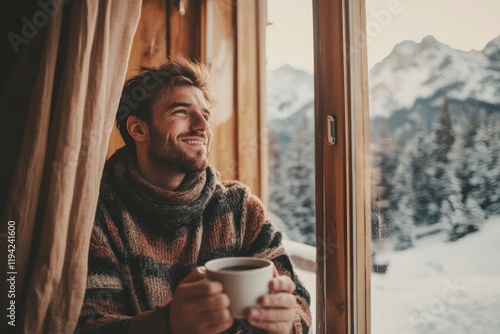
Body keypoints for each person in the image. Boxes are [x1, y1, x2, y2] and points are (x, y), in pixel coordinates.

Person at [77, 58, 311, 334]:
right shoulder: (96, 214)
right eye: (181, 112)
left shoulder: (240, 209)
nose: (202, 125)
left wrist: (288, 320)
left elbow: (299, 304)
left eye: (205, 115)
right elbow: (88, 326)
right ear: (138, 129)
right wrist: (167, 325)